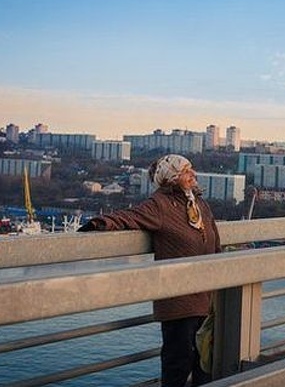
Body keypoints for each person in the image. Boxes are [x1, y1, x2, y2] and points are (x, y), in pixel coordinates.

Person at [78, 154, 220, 386]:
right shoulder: (159, 205)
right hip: (178, 301)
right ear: (172, 178)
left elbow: (215, 244)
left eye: (191, 169)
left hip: (206, 297)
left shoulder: (200, 204)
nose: (193, 174)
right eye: (187, 171)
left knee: (205, 365)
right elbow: (130, 217)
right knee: (178, 364)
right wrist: (99, 223)